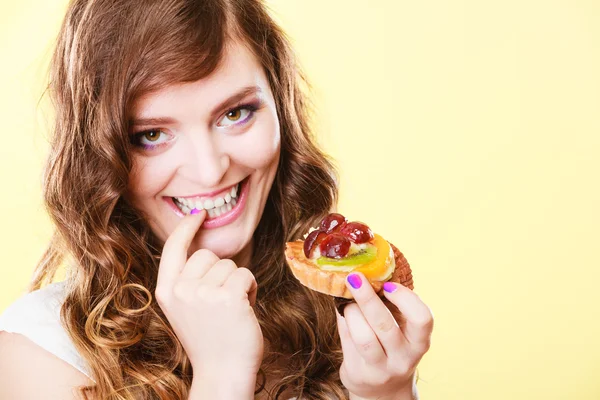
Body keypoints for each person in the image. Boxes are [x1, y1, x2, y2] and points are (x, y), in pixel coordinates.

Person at [0, 0, 434, 399]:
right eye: (151, 135)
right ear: (99, 157)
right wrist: (222, 377)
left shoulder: (340, 313)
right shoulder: (39, 352)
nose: (209, 171)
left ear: (280, 105)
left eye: (235, 113)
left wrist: (385, 391)